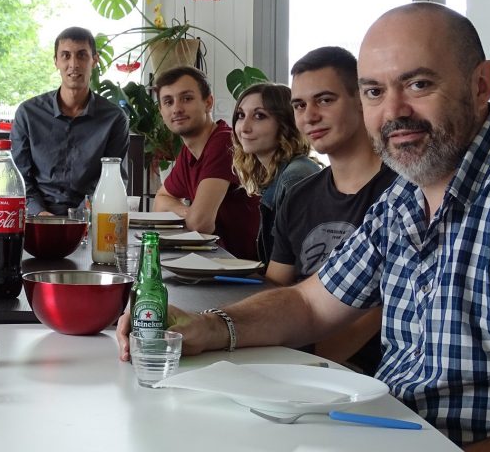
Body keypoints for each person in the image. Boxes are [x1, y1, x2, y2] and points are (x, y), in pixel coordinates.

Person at [117, 3, 490, 449]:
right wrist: (204, 327)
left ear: (481, 86)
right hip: (379, 429)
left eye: (418, 84)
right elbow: (309, 304)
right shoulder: (403, 198)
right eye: (375, 91)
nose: (394, 111)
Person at [273, 46, 397, 373]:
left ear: (361, 99)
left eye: (325, 100)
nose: (309, 116)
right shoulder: (299, 197)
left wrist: (302, 364)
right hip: (296, 359)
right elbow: (275, 285)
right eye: (300, 105)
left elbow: (381, 306)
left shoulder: (404, 194)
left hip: (370, 375)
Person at [12, 27, 129, 216]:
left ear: (95, 60)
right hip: (36, 219)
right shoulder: (28, 113)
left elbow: (113, 181)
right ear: (56, 62)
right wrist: (41, 214)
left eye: (82, 55)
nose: (73, 64)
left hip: (92, 218)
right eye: (65, 56)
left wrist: (79, 217)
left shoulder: (114, 119)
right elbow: (18, 178)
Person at [151, 66, 260, 259]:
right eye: (168, 102)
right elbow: (160, 201)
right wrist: (189, 212)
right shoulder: (189, 151)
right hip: (217, 262)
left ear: (208, 102)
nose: (176, 108)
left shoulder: (225, 142)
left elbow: (200, 224)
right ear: (161, 111)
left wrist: (193, 215)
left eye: (187, 98)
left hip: (246, 270)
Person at [231, 82, 320, 261]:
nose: (244, 127)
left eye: (259, 116)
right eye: (241, 115)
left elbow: (295, 265)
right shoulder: (276, 172)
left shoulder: (295, 176)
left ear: (286, 123)